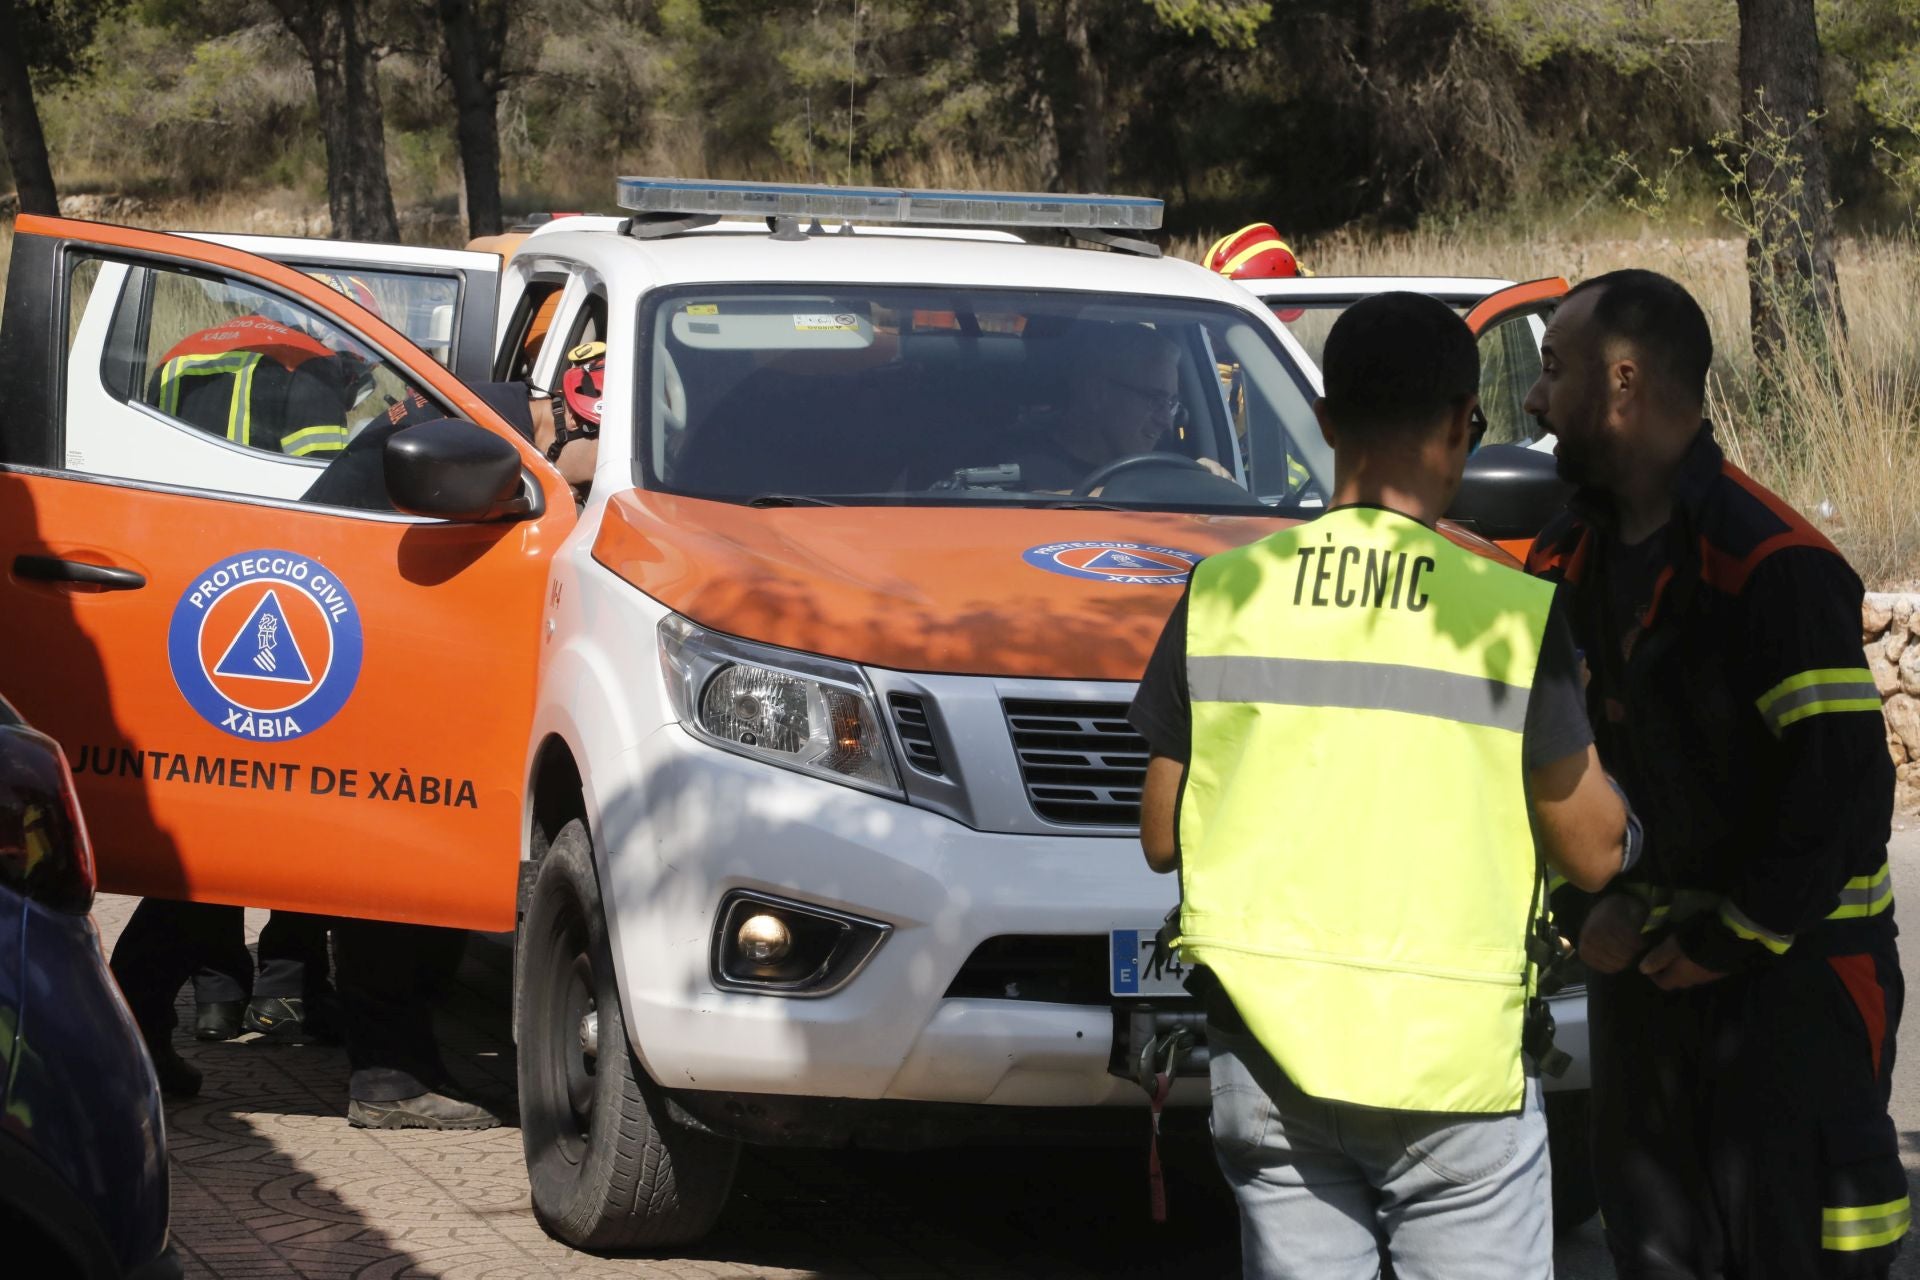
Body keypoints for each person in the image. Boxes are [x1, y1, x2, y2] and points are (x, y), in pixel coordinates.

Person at [1128, 291, 1633, 1279]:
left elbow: (1160, 832)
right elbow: (1590, 845)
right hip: (1452, 1071)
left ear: (1322, 421)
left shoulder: (1222, 595)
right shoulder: (1509, 613)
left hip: (1268, 1064)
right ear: (1459, 424)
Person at [1523, 269, 1906, 1278]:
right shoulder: (1567, 562)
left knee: (1802, 1249)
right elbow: (1560, 772)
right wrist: (1590, 902)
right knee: (1656, 1249)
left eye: (1550, 370)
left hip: (1795, 986)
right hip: (1653, 980)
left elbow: (1840, 797)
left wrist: (1728, 935)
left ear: (1622, 384)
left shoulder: (1773, 565)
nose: (1531, 400)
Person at [1012, 324, 1189, 491]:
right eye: (1154, 400)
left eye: (1172, 403)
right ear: (1096, 392)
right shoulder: (1015, 471)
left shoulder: (1166, 470)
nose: (1166, 421)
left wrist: (1203, 478)